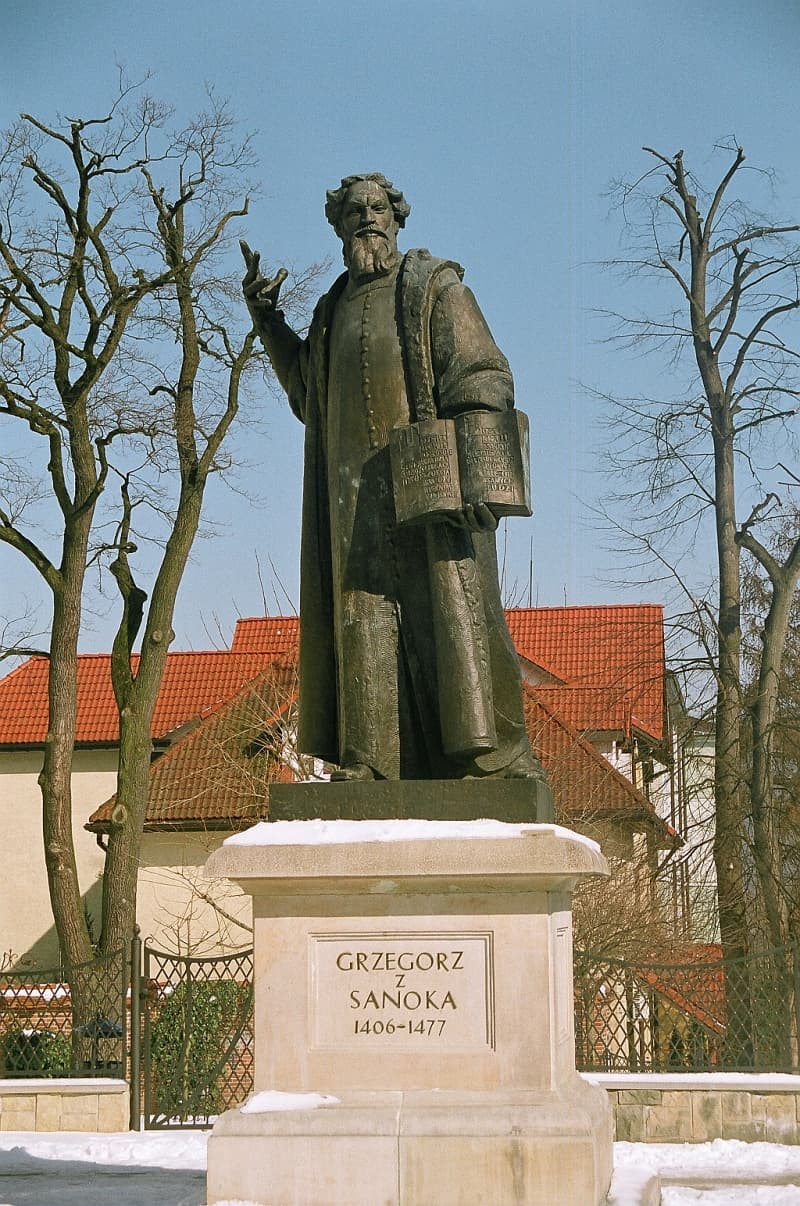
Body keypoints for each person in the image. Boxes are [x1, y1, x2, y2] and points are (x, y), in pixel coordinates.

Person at [241, 173, 546, 784]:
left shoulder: (434, 288)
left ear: (397, 217)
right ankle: (371, 761)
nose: (367, 219)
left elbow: (483, 376)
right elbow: (308, 394)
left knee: (452, 613)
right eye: (353, 212)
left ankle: (485, 761)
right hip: (351, 496)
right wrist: (267, 321)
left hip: (429, 484)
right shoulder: (329, 311)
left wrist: (476, 474)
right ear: (338, 227)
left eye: (378, 208)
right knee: (361, 615)